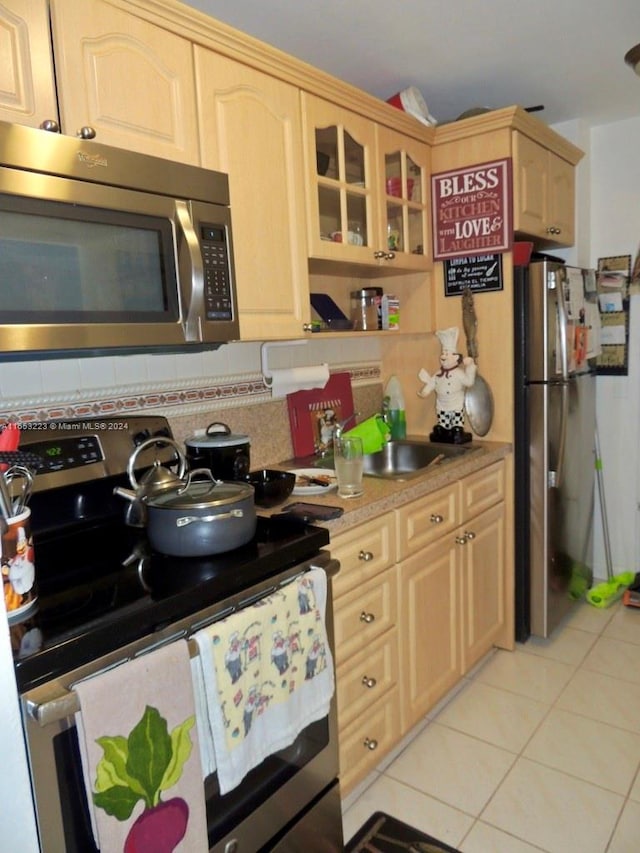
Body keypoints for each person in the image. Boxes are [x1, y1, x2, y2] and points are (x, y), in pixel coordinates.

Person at [418, 326, 476, 443]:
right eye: (443, 354)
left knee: (456, 420)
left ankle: (457, 430)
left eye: (447, 354)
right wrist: (424, 392)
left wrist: (470, 366)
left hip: (456, 405)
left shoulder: (459, 374)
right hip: (442, 405)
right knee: (443, 421)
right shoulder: (438, 374)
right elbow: (431, 383)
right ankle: (443, 430)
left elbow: (469, 382)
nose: (443, 356)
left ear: (455, 357)